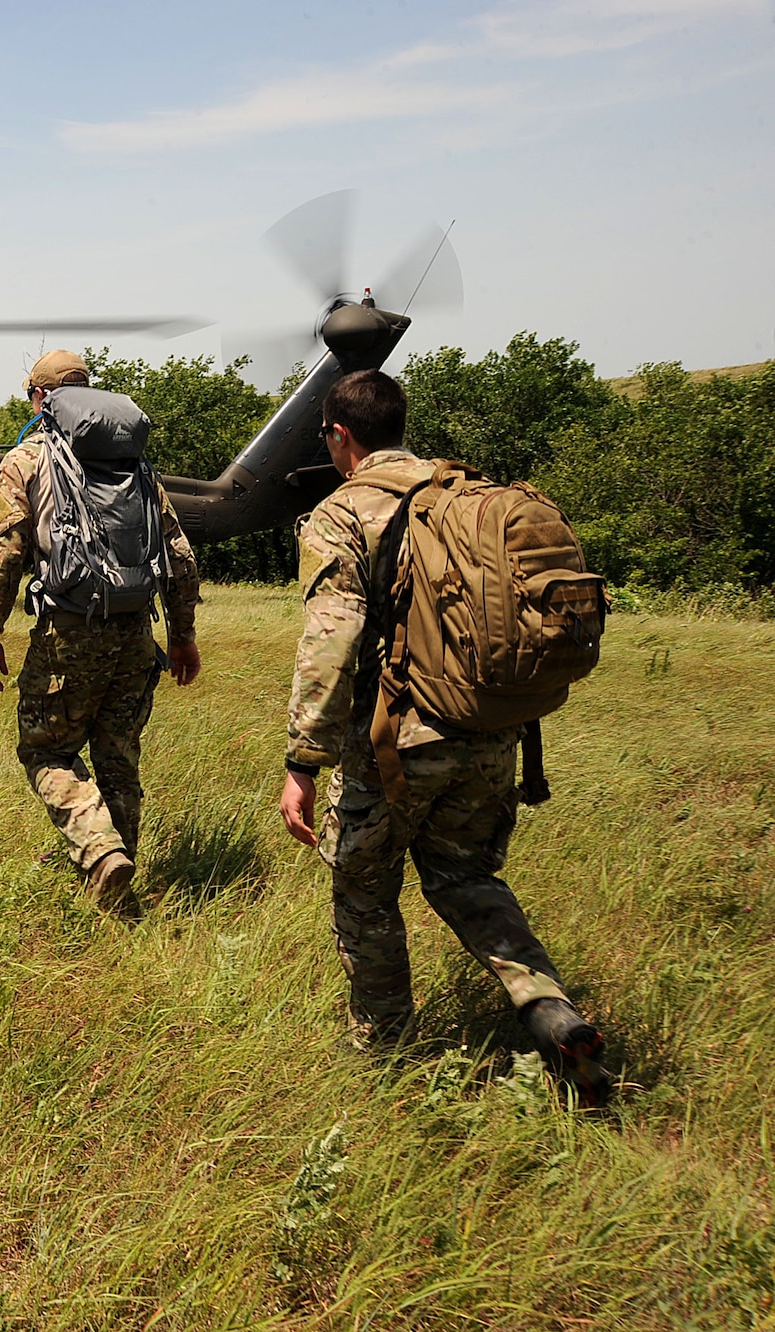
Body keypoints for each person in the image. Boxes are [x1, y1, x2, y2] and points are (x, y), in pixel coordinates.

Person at [277, 368, 611, 1101]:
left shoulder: (343, 510)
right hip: (492, 731)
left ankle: (385, 1052)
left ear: (340, 436)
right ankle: (550, 1011)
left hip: (396, 743)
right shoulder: (466, 493)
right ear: (400, 423)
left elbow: (332, 638)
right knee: (466, 878)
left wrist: (304, 760)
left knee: (363, 890)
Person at [0, 349, 202, 912]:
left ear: (38, 398)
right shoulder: (137, 466)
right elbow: (179, 556)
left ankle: (101, 854)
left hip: (69, 636)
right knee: (118, 755)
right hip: (135, 634)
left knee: (46, 750)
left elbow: (4, 555)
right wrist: (182, 635)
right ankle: (117, 880)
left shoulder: (26, 462)